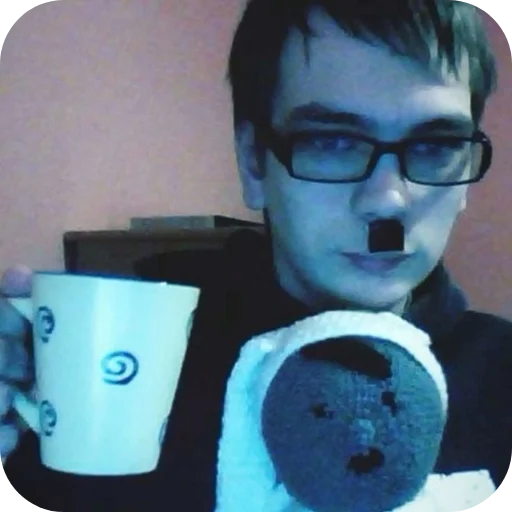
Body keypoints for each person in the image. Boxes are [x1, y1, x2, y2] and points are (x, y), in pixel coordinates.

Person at [0, 0, 509, 510]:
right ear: (252, 163)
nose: (387, 200)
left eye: (435, 146)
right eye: (331, 142)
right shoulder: (120, 369)